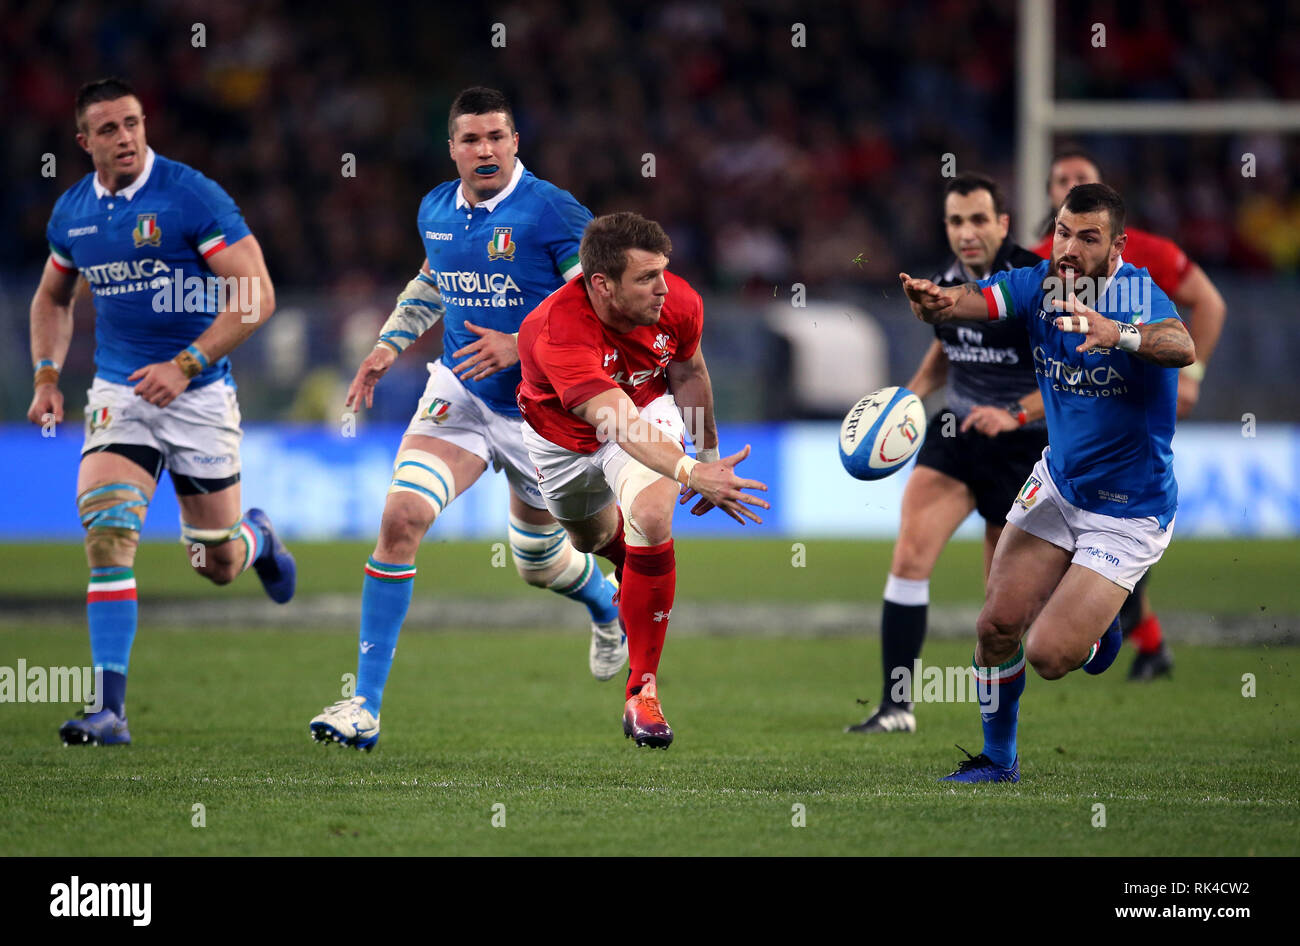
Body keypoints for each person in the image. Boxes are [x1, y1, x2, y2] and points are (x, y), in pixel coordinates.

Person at [309, 88, 622, 751]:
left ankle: (604, 601)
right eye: (471, 139)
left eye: (497, 137)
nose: (485, 150)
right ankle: (363, 706)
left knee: (540, 563)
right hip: (462, 397)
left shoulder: (554, 213)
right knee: (401, 519)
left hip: (544, 414)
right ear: (452, 148)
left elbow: (601, 310)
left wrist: (520, 344)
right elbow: (432, 282)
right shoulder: (435, 210)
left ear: (516, 144)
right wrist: (385, 348)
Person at [29, 78, 295, 746]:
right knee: (108, 529)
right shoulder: (72, 215)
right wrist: (46, 375)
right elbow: (52, 299)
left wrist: (186, 365)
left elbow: (257, 296)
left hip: (199, 393)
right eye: (109, 129)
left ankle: (258, 538)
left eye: (133, 124)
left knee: (217, 565)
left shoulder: (189, 196)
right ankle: (110, 710)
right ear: (83, 141)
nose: (125, 138)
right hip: (121, 393)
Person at [898, 183, 1195, 782]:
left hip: (1129, 509)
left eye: (1088, 238)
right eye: (1063, 231)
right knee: (996, 626)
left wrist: (1118, 334)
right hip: (1059, 487)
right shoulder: (1037, 286)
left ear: (1116, 248)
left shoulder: (1135, 291)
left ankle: (1096, 632)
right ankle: (998, 759)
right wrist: (935, 303)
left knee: (1050, 655)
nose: (1070, 247)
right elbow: (973, 301)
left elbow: (1180, 345)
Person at [516, 212, 769, 749]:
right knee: (587, 541)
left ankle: (642, 691)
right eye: (646, 278)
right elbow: (612, 422)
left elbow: (687, 373)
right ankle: (623, 594)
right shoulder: (557, 330)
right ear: (602, 285)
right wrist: (690, 472)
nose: (663, 288)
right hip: (563, 437)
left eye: (663, 271)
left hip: (645, 407)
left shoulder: (678, 302)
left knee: (652, 517)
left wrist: (706, 454)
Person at [847, 174, 1047, 736]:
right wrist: (907, 400)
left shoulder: (1036, 282)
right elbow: (945, 350)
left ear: (1003, 224)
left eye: (979, 219)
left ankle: (1000, 731)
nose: (967, 232)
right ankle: (896, 707)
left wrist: (1015, 413)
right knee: (910, 555)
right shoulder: (944, 284)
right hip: (957, 435)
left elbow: (1068, 379)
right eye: (956, 221)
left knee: (1000, 610)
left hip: (1025, 448)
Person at [1032, 150, 1227, 679]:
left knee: (1113, 528)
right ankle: (1111, 634)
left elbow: (1208, 304)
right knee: (1025, 596)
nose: (1071, 185)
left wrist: (1193, 375)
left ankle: (1130, 635)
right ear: (1054, 201)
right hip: (1057, 429)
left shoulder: (1148, 261)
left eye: (1082, 179)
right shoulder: (1042, 265)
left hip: (1127, 438)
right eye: (1062, 181)